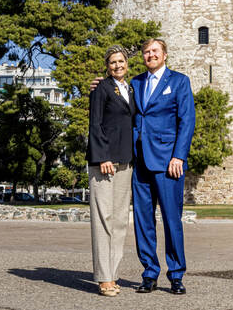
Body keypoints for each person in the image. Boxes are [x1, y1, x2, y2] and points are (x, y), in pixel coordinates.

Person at [131, 38, 195, 295]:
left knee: (171, 220)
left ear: (165, 55)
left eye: (155, 51)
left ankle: (176, 274)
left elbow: (187, 119)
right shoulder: (136, 83)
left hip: (169, 163)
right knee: (143, 221)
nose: (150, 55)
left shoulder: (179, 81)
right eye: (146, 52)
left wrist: (178, 156)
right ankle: (149, 272)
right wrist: (100, 85)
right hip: (140, 162)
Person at [87, 46, 136, 296]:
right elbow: (95, 124)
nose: (117, 65)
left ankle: (113, 273)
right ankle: (103, 277)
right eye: (113, 62)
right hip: (104, 162)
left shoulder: (130, 89)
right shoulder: (101, 89)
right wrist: (102, 156)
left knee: (118, 222)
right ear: (106, 66)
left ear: (127, 63)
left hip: (125, 162)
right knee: (102, 219)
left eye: (121, 61)